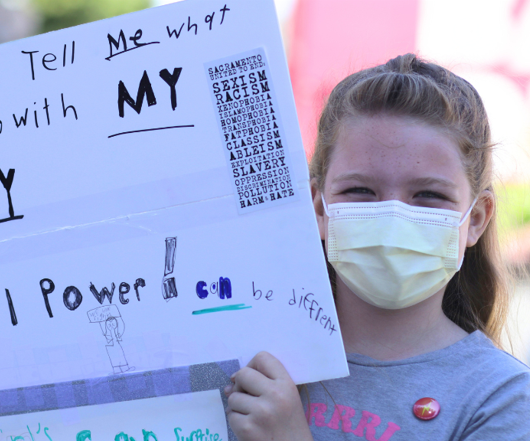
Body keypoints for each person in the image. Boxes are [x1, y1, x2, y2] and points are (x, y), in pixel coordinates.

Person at [224, 54, 530, 440]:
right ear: (319, 207)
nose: (393, 219)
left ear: (475, 220)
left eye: (428, 195)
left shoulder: (502, 398)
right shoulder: (247, 360)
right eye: (360, 191)